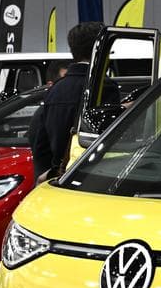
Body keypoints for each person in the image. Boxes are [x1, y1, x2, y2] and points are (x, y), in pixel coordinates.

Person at [29, 21, 105, 180]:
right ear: (100, 47)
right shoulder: (103, 87)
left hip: (60, 178)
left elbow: (40, 145)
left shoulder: (54, 90)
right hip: (94, 177)